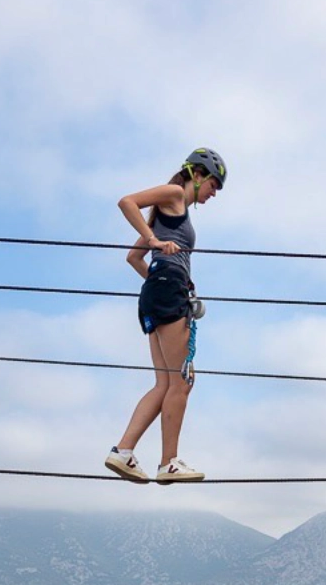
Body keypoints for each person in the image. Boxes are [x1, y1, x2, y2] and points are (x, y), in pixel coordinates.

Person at [105, 148, 227, 484]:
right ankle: (168, 462)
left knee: (164, 384)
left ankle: (123, 452)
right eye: (214, 184)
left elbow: (134, 258)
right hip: (165, 289)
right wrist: (155, 242)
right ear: (197, 174)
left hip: (156, 292)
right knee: (181, 382)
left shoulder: (172, 212)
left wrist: (162, 275)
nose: (214, 193)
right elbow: (126, 201)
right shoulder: (174, 195)